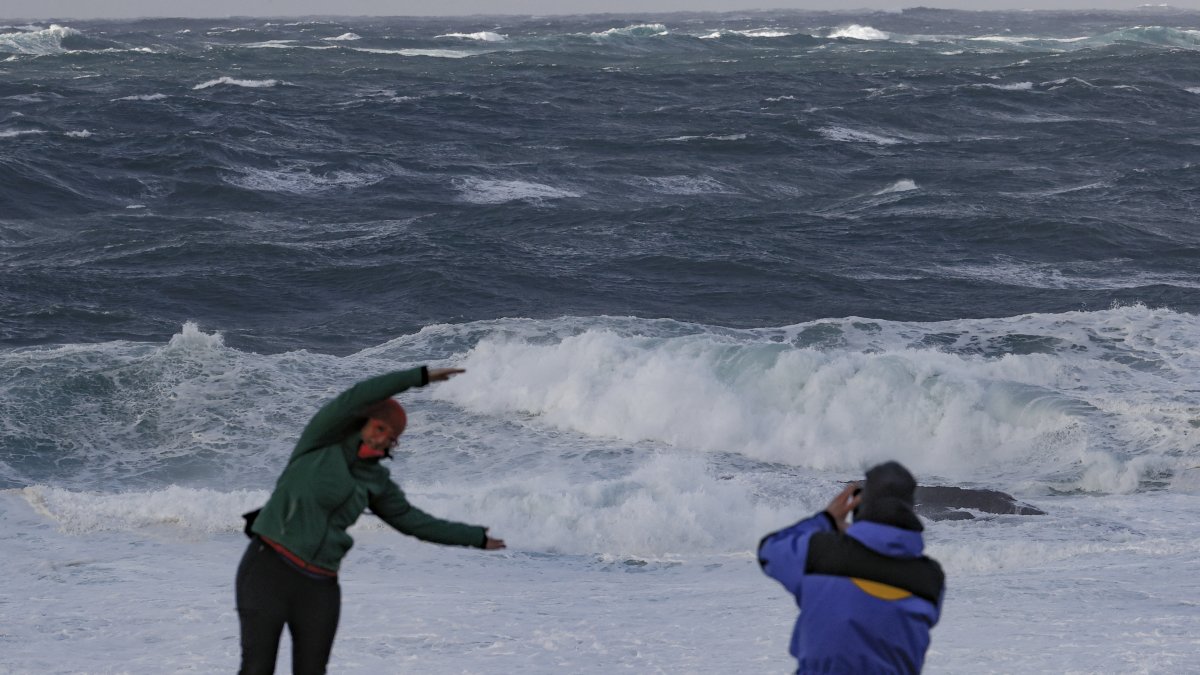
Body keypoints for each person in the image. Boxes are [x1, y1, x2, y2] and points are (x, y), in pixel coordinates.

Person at [236, 365, 505, 675]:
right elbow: (357, 395)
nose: (382, 440)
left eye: (391, 437)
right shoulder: (320, 442)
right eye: (380, 428)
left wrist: (476, 537)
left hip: (320, 585)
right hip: (268, 568)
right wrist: (418, 377)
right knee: (257, 669)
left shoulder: (376, 481)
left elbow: (413, 521)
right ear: (364, 421)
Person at [758, 461, 944, 674]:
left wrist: (827, 520)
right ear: (909, 509)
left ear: (861, 504)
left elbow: (769, 551)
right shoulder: (930, 579)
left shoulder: (821, 554)